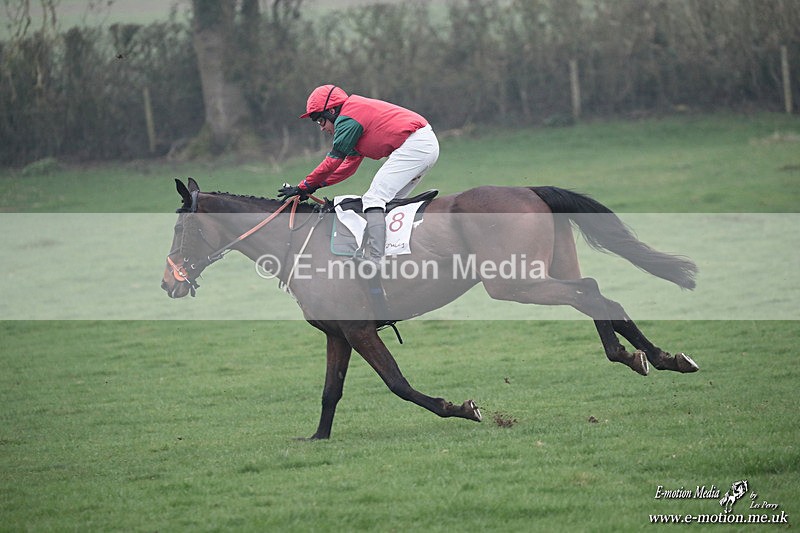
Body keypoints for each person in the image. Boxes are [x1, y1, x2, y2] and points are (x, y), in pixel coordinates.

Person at [277, 85, 439, 266]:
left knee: (373, 199)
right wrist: (315, 186)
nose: (321, 128)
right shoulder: (353, 116)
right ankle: (396, 253)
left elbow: (332, 162)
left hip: (415, 145)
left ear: (331, 110)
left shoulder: (347, 119)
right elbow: (348, 167)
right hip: (421, 145)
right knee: (385, 203)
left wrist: (304, 186)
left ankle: (376, 259)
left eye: (320, 121)